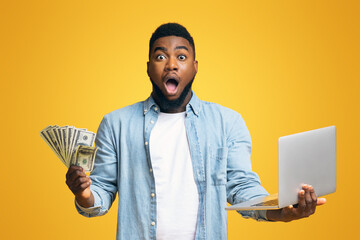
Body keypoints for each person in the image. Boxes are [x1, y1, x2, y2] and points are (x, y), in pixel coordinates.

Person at [65, 23, 326, 240]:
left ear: (194, 66)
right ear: (148, 68)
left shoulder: (228, 122)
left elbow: (241, 188)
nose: (170, 65)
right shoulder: (116, 124)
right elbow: (100, 194)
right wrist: (84, 193)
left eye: (181, 56)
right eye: (160, 56)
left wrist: (280, 211)